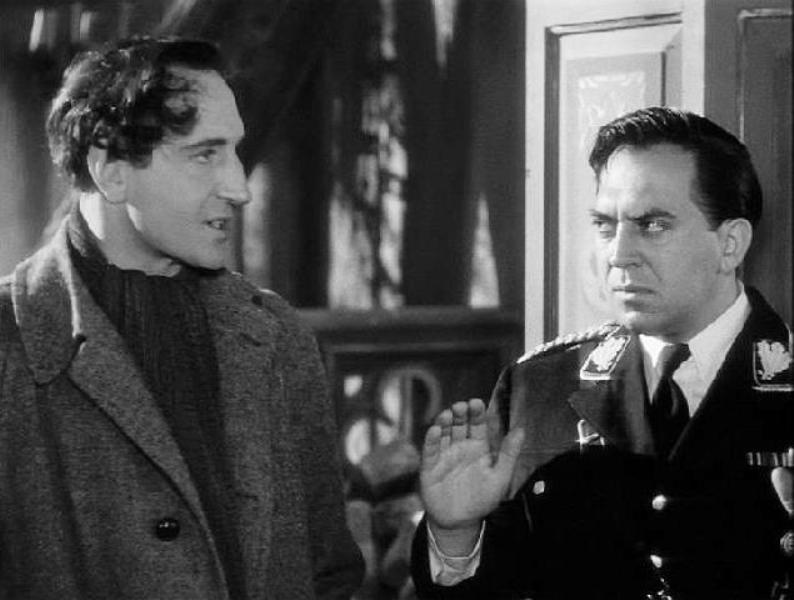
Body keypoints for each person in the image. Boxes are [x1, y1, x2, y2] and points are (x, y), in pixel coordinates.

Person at [0, 36, 363, 599]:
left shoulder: (276, 335)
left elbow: (328, 575)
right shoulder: (9, 346)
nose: (239, 188)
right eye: (204, 154)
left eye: (235, 152)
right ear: (110, 170)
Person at [410, 106, 794, 599]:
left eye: (652, 225)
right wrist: (457, 536)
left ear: (731, 244)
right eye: (606, 225)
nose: (618, 254)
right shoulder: (539, 388)